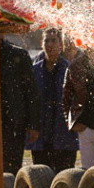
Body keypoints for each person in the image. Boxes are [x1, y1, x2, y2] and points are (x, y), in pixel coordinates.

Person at [30, 28, 78, 173]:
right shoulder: (34, 70)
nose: (50, 44)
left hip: (64, 134)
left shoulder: (70, 70)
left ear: (61, 45)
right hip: (40, 134)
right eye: (47, 41)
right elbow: (30, 101)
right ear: (41, 43)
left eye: (54, 40)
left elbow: (78, 98)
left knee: (64, 177)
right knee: (41, 176)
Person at [63, 47, 94, 169]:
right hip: (85, 125)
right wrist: (71, 123)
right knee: (88, 169)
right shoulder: (75, 66)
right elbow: (66, 98)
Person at [0, 38, 39, 175]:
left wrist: (33, 124)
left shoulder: (18, 54)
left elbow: (31, 91)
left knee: (11, 169)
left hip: (13, 122)